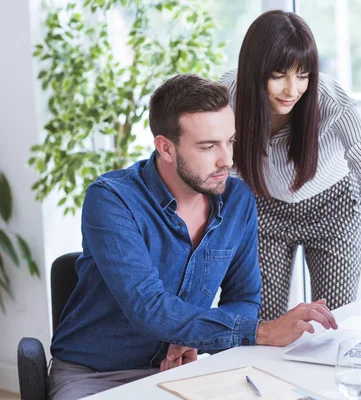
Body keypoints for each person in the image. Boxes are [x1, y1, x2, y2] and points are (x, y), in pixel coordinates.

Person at [48, 74, 337, 400]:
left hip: (188, 368)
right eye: (208, 146)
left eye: (229, 141)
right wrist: (262, 332)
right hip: (97, 374)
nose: (226, 159)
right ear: (166, 148)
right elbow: (149, 309)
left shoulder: (237, 200)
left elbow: (244, 299)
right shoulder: (112, 199)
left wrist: (193, 337)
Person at [220, 10, 361, 320]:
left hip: (332, 209)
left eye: (302, 74)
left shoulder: (331, 102)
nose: (292, 89)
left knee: (332, 321)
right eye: (278, 75)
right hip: (263, 208)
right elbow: (219, 171)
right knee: (265, 323)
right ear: (254, 70)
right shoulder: (227, 97)